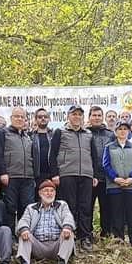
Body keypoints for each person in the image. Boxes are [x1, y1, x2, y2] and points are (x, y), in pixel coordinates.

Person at [49, 105, 99, 251]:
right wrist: (54, 174)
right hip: (67, 174)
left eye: (79, 114)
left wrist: (94, 174)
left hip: (86, 175)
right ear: (68, 116)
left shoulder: (88, 134)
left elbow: (94, 156)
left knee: (85, 206)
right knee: (69, 206)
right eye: (74, 114)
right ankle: (69, 235)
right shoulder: (60, 132)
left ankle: (85, 237)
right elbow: (52, 155)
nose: (77, 117)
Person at [16, 180, 76, 264]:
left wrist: (67, 227)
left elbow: (68, 217)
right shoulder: (31, 208)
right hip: (38, 246)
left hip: (57, 245)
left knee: (69, 234)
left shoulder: (61, 205)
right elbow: (23, 221)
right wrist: (24, 229)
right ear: (40, 193)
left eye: (52, 191)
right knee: (24, 234)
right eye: (46, 191)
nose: (49, 193)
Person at [102, 120, 132, 245]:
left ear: (129, 131)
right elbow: (106, 165)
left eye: (125, 129)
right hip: (114, 186)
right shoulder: (109, 147)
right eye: (120, 129)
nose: (123, 131)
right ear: (115, 132)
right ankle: (119, 241)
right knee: (117, 215)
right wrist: (115, 178)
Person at [0, 107, 37, 218]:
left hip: (28, 179)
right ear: (11, 118)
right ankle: (10, 234)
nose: (19, 119)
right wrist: (3, 173)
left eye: (22, 117)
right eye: (16, 116)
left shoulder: (28, 137)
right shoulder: (2, 133)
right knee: (10, 209)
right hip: (10, 178)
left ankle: (24, 234)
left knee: (27, 209)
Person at [87, 106, 115, 239]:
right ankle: (88, 233)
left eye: (99, 115)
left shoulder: (110, 134)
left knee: (107, 207)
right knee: (87, 207)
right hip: (89, 177)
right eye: (94, 115)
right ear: (89, 117)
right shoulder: (85, 133)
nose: (97, 118)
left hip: (106, 177)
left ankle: (106, 233)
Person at [32, 107, 55, 191]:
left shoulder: (54, 135)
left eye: (45, 116)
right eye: (40, 117)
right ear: (35, 119)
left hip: (52, 174)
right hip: (36, 175)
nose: (43, 118)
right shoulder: (30, 136)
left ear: (49, 119)